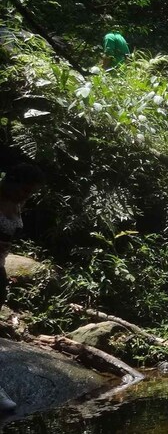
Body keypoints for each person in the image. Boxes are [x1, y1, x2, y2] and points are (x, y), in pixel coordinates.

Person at [0, 163, 45, 414]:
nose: (27, 195)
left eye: (32, 192)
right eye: (25, 190)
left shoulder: (17, 204)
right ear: (11, 181)